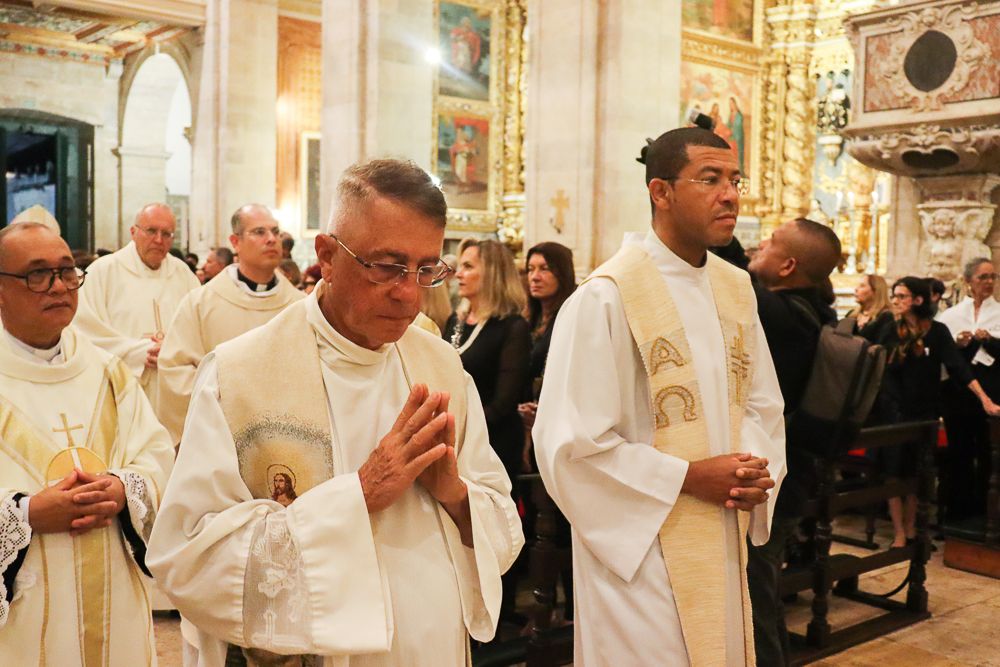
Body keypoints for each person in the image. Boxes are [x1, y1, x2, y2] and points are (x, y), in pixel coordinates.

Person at [147, 158, 522, 667]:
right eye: (387, 267)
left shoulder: (441, 367)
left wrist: (455, 495)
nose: (409, 294)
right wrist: (360, 494)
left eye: (426, 270)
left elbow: (501, 522)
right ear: (327, 255)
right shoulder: (238, 374)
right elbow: (189, 558)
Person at [533, 127, 784, 666]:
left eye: (735, 180)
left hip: (722, 525)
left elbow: (761, 403)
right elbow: (570, 444)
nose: (730, 195)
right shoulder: (606, 297)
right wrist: (688, 477)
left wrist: (751, 470)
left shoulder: (735, 288)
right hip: (640, 549)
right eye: (710, 179)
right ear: (661, 191)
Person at [0, 223, 173, 665]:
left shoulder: (108, 372)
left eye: (66, 271)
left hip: (115, 597)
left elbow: (157, 454)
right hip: (22, 615)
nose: (59, 286)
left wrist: (123, 488)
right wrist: (25, 514)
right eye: (38, 274)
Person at [745, 218, 842, 667]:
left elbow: (722, 267)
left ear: (787, 266)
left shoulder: (780, 314)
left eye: (769, 243)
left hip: (773, 481)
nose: (759, 246)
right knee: (759, 593)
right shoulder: (812, 312)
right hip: (790, 475)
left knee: (754, 598)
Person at [156, 204, 306, 448]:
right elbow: (175, 371)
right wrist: (230, 407)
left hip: (287, 442)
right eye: (259, 232)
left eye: (276, 232)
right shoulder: (201, 303)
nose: (271, 239)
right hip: (218, 440)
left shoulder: (301, 307)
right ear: (236, 242)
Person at [876, 277, 1000, 547]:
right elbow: (878, 367)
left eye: (901, 296)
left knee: (917, 471)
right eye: (894, 296)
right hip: (894, 409)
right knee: (893, 470)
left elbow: (959, 368)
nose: (895, 301)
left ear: (918, 300)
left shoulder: (937, 331)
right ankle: (898, 532)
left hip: (924, 410)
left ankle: (911, 529)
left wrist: (985, 399)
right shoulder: (889, 329)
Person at [73, 203, 201, 408]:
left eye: (166, 234)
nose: (158, 239)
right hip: (121, 388)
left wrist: (174, 350)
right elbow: (85, 331)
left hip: (174, 392)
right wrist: (139, 352)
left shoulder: (184, 274)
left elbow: (200, 329)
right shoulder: (103, 272)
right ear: (133, 232)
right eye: (151, 230)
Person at [444, 238, 531, 487]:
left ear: (492, 273)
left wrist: (458, 428)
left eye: (468, 266)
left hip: (492, 444)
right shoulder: (456, 321)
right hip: (453, 439)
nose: (458, 274)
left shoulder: (512, 327)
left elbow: (503, 403)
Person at [937, 258, 1000, 524]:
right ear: (968, 282)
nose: (989, 282)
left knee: (988, 453)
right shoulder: (950, 315)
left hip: (992, 391)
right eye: (983, 277)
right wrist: (959, 343)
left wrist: (990, 340)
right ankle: (957, 513)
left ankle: (985, 513)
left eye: (993, 277)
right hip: (958, 395)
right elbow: (942, 353)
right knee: (959, 452)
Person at [518, 241, 577, 464]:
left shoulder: (572, 315)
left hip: (559, 422)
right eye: (530, 269)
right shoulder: (528, 319)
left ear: (563, 273)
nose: (534, 277)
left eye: (545, 269)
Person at [849, 273, 893, 341]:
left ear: (875, 291)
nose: (856, 289)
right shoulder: (851, 315)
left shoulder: (885, 318)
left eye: (862, 286)